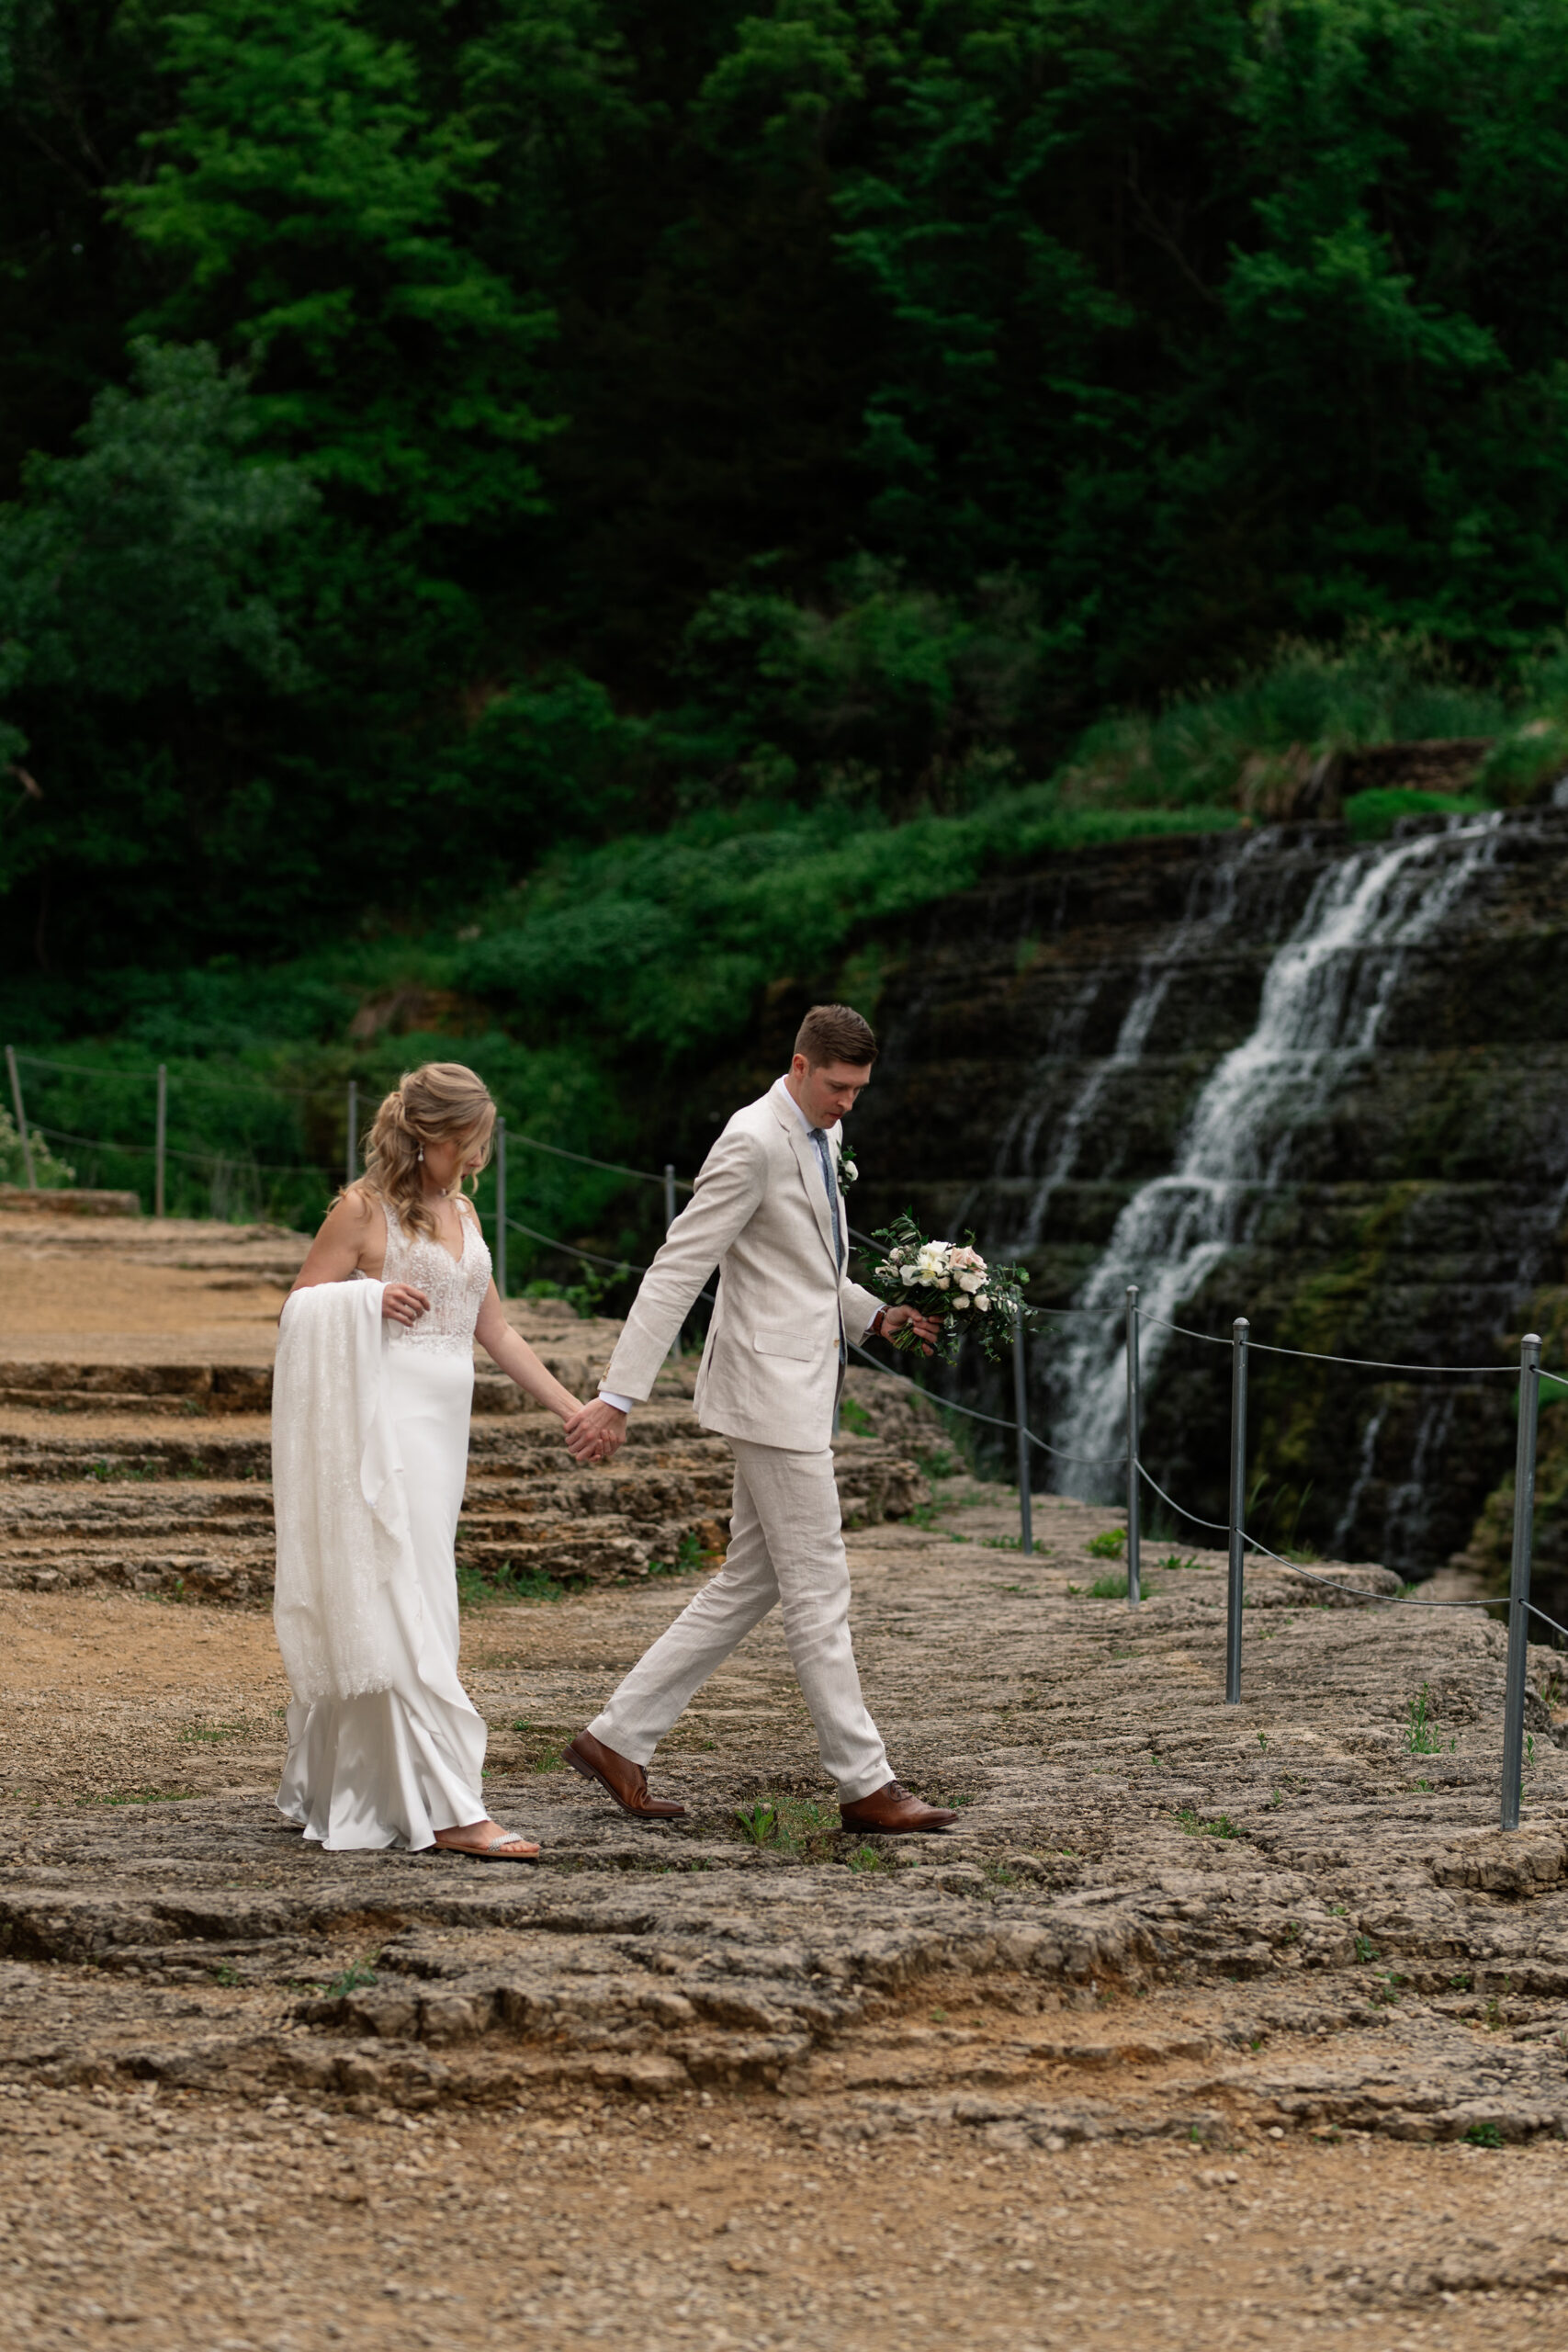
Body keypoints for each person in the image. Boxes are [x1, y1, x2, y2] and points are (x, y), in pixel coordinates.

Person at [558, 1004, 957, 1834]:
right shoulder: (750, 1140)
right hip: (768, 1398)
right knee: (820, 1588)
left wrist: (875, 1316)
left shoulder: (823, 1134)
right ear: (800, 1067)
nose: (848, 1104)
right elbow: (677, 1270)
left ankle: (615, 1738)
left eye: (859, 1091)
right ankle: (864, 1783)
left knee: (753, 1581)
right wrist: (618, 1394)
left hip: (800, 1384)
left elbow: (808, 1273)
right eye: (838, 1087)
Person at [273, 1061, 604, 1859]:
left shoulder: (462, 1210)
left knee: (421, 1589)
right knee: (394, 1591)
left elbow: (495, 1329)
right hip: (382, 1422)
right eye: (471, 1140)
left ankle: (354, 1782)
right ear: (434, 1135)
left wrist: (573, 1408)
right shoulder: (361, 1209)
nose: (479, 1155)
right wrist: (366, 1297)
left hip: (442, 1430)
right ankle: (448, 1808)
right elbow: (295, 1306)